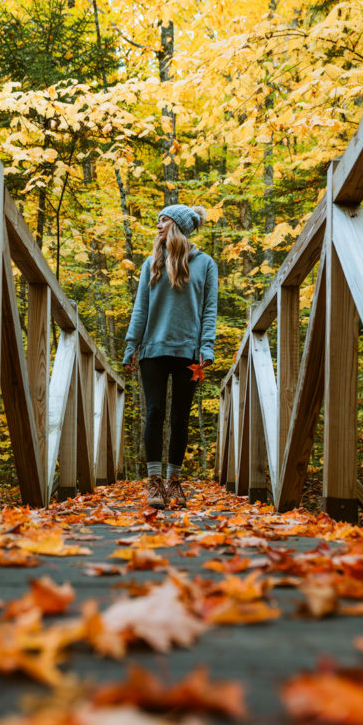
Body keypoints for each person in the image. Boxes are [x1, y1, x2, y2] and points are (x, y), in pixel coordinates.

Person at [123, 203, 218, 509]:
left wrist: (207, 348)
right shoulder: (151, 263)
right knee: (154, 412)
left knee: (180, 417)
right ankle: (154, 485)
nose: (158, 226)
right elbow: (140, 309)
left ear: (176, 226)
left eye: (162, 220)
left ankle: (174, 482)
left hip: (189, 354)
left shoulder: (206, 264)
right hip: (153, 350)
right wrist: (130, 346)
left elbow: (209, 311)